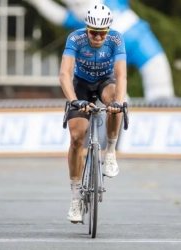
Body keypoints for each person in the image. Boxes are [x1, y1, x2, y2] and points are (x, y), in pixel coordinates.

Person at [59, 3, 127, 223]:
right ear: (87, 28)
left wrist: (120, 102)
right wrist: (75, 101)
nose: (97, 37)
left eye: (102, 33)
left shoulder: (116, 40)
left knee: (116, 100)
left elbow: (121, 75)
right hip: (81, 85)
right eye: (93, 32)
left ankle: (110, 152)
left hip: (105, 82)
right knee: (78, 138)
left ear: (108, 31)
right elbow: (64, 74)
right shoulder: (75, 39)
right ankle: (76, 197)